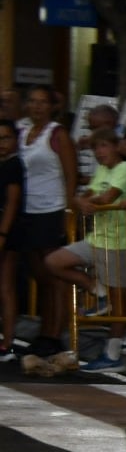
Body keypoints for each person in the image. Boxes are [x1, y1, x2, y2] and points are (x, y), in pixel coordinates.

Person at [47, 127, 126, 372]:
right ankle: (96, 289)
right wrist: (84, 201)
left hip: (118, 242)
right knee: (54, 261)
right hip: (96, 239)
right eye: (96, 148)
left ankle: (113, 352)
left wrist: (88, 202)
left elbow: (108, 197)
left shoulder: (124, 168)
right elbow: (83, 195)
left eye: (105, 146)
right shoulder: (103, 170)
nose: (100, 152)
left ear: (116, 146)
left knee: (119, 303)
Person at [17, 84, 77, 356]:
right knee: (38, 274)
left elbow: (70, 173)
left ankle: (54, 333)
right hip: (27, 210)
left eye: (43, 102)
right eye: (32, 101)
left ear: (52, 106)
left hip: (51, 210)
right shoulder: (21, 132)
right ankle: (45, 328)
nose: (37, 106)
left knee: (54, 274)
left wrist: (67, 210)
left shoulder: (57, 134)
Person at [0, 118, 24, 362]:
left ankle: (8, 341)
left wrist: (3, 234)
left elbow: (12, 202)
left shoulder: (14, 165)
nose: (1, 143)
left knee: (6, 286)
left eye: (5, 138)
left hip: (8, 231)